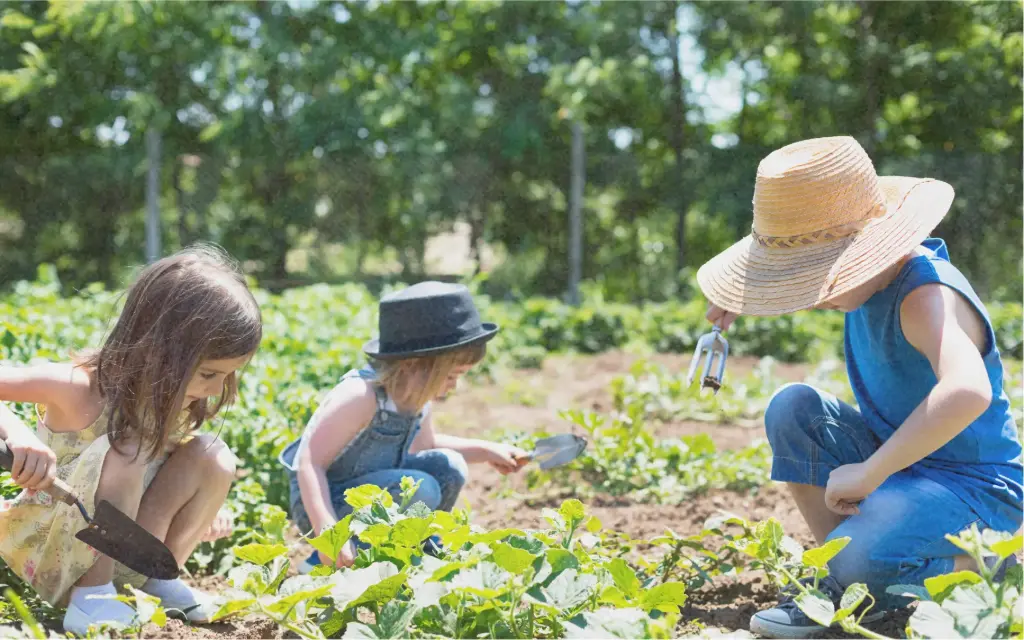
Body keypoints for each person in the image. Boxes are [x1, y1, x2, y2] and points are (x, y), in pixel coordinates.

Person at [696, 136, 1023, 638]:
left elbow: (968, 391)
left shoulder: (924, 294)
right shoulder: (870, 283)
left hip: (976, 490)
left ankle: (987, 567)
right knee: (794, 407)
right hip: (909, 466)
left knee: (869, 545)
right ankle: (845, 580)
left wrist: (871, 472)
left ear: (866, 252)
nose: (810, 294)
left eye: (814, 276)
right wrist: (751, 294)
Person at [0, 245, 262, 635]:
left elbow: (168, 468)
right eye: (209, 374)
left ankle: (152, 583)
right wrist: (19, 435)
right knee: (129, 447)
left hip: (122, 549)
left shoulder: (163, 401)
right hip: (55, 545)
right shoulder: (76, 387)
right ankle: (93, 600)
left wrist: (202, 505)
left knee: (213, 455)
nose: (215, 389)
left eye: (226, 376)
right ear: (160, 351)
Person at [280, 281, 530, 572]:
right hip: (324, 505)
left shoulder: (418, 396)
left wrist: (487, 450)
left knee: (450, 467)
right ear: (415, 365)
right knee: (423, 488)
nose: (455, 386)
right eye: (451, 376)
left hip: (375, 495)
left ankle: (414, 545)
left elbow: (427, 446)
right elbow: (309, 463)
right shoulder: (361, 396)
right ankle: (323, 561)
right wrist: (329, 534)